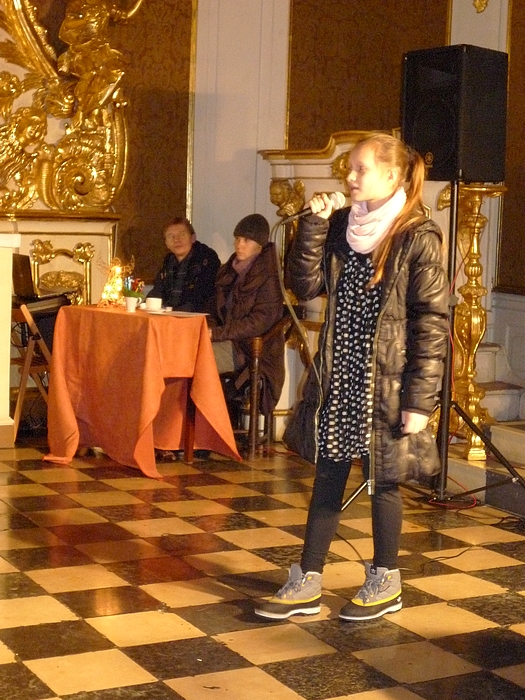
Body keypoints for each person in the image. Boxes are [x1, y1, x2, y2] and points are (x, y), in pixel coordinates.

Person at [254, 132, 449, 622]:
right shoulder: (342, 225)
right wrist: (314, 226)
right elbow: (304, 286)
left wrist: (420, 401)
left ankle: (386, 580)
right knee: (329, 474)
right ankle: (308, 579)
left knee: (385, 481)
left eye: (361, 168)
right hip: (341, 373)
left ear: (392, 175)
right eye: (349, 168)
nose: (350, 176)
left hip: (388, 381)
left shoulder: (417, 235)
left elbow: (431, 322)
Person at [207, 213, 285, 419]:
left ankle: (211, 426)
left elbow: (259, 322)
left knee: (198, 359)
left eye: (246, 240)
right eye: (237, 239)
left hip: (251, 350)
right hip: (228, 341)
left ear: (260, 244)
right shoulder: (228, 271)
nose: (239, 245)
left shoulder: (269, 276)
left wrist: (216, 333)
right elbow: (213, 309)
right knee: (186, 352)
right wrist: (210, 328)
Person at [148, 217, 220, 312]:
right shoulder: (168, 261)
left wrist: (176, 312)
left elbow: (204, 295)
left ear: (193, 238)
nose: (176, 240)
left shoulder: (206, 258)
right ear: (166, 243)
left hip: (197, 315)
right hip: (169, 314)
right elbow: (157, 291)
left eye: (182, 234)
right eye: (170, 236)